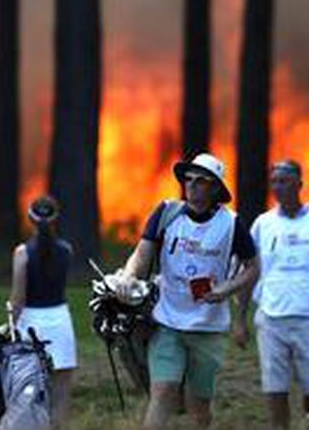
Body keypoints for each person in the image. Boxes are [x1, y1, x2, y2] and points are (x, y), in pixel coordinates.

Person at [112, 153, 260, 429]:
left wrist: (227, 289)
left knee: (199, 404)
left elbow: (253, 267)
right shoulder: (167, 213)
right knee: (163, 392)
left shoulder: (231, 223)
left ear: (215, 188)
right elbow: (142, 254)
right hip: (167, 321)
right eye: (188, 179)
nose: (191, 185)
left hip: (209, 327)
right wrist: (130, 276)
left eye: (200, 181)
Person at [238, 160, 309, 429]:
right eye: (274, 181)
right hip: (271, 319)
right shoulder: (262, 224)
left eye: (284, 180)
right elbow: (248, 274)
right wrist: (240, 320)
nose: (278, 186)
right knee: (274, 386)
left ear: (299, 184)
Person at [9, 195, 76, 428]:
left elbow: (18, 298)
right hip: (60, 321)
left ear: (30, 218)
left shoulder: (22, 253)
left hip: (30, 323)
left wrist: (8, 327)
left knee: (26, 394)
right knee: (60, 395)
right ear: (56, 218)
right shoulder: (67, 250)